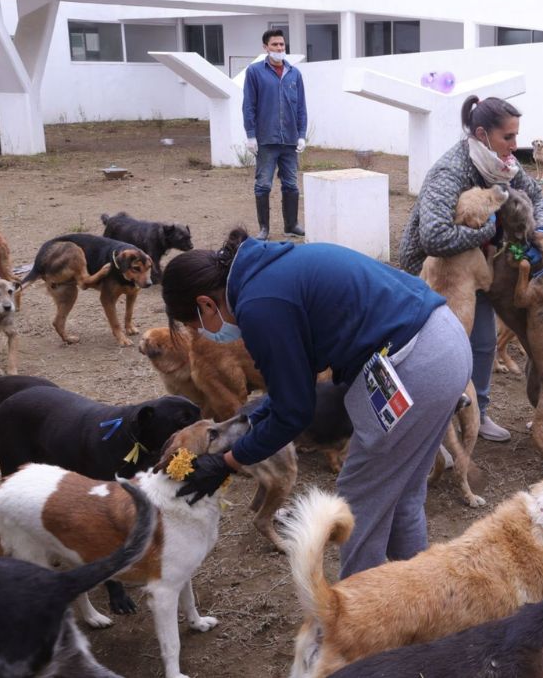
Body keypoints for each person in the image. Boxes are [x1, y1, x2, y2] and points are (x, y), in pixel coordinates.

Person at [160, 229, 471, 578]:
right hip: (445, 341)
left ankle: (359, 620)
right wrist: (255, 422)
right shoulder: (267, 268)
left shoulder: (258, 305)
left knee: (360, 499)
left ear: (205, 304)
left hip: (413, 365)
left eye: (193, 325)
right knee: (402, 494)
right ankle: (416, 599)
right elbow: (290, 389)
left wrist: (228, 462)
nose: (201, 334)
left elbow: (294, 413)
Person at [398, 95, 543, 443]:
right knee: (437, 350)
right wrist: (491, 229)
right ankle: (429, 421)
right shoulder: (450, 171)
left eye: (517, 136)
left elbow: (538, 198)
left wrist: (541, 228)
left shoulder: (505, 165)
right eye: (508, 137)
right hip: (433, 277)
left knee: (482, 344)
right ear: (482, 134)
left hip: (476, 268)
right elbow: (434, 236)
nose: (515, 145)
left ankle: (477, 413)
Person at [243, 28, 307, 241]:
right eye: (275, 45)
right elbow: (249, 105)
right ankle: (264, 228)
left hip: (289, 140)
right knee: (263, 184)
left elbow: (301, 108)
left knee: (291, 183)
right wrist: (251, 135)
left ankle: (291, 225)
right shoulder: (254, 72)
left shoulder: (294, 74)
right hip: (266, 139)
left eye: (282, 45)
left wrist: (301, 134)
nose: (279, 48)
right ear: (265, 48)